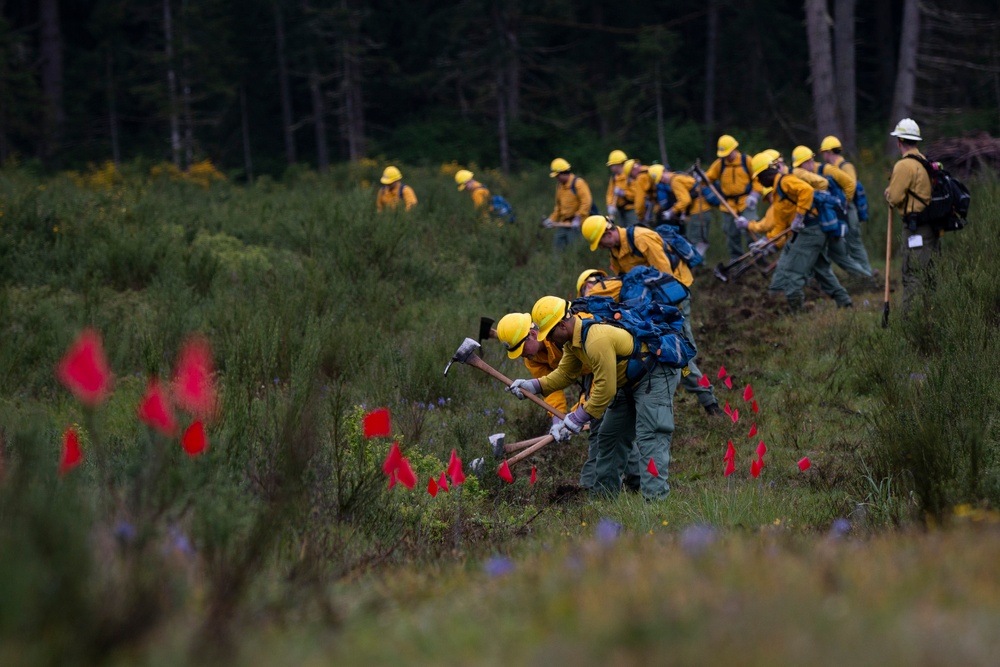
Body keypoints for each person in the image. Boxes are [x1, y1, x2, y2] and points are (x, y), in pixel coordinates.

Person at [508, 296, 680, 500]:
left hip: (653, 375)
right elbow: (565, 374)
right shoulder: (573, 343)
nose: (549, 340)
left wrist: (579, 416)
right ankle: (602, 501)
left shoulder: (596, 339)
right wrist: (534, 385)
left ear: (562, 325)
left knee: (649, 437)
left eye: (550, 334)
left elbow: (605, 388)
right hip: (626, 382)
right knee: (609, 437)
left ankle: (656, 503)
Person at [580, 216, 722, 416]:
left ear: (608, 233)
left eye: (601, 242)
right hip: (650, 304)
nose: (602, 248)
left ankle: (709, 403)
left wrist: (663, 317)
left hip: (673, 297)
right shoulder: (615, 251)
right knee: (658, 351)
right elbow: (625, 283)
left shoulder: (643, 238)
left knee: (683, 354)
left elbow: (666, 277)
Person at [497, 306, 641, 492]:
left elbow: (604, 381)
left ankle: (609, 484)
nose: (522, 355)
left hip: (610, 372)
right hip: (588, 376)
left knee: (605, 427)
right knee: (607, 429)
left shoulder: (567, 330)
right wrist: (558, 419)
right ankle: (628, 481)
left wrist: (581, 413)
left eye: (522, 349)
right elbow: (552, 387)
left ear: (532, 334)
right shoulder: (532, 358)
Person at [743, 152, 852, 311]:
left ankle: (795, 311)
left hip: (811, 231)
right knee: (821, 270)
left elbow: (806, 191)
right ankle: (845, 302)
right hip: (808, 232)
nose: (759, 181)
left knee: (794, 273)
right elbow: (780, 226)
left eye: (759, 177)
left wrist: (799, 216)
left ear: (767, 173)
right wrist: (764, 242)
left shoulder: (785, 181)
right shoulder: (777, 190)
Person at [791, 146, 872, 279]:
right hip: (822, 220)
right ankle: (864, 278)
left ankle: (867, 278)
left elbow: (851, 184)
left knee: (843, 253)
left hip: (836, 218)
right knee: (828, 254)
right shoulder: (804, 176)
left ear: (809, 161)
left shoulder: (826, 169)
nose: (800, 169)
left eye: (801, 165)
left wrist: (844, 203)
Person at [884, 118, 937, 313]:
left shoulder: (904, 165)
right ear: (915, 141)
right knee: (930, 274)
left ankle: (910, 321)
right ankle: (931, 315)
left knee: (913, 274)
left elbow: (895, 198)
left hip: (916, 229)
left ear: (899, 141)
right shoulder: (923, 160)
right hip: (930, 228)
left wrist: (888, 194)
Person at [819, 135, 875, 277]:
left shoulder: (846, 166)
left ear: (828, 152)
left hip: (849, 210)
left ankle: (867, 274)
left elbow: (852, 186)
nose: (823, 156)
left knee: (854, 244)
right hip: (841, 211)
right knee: (848, 245)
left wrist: (844, 202)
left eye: (823, 152)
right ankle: (863, 274)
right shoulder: (833, 168)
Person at [703, 134, 762, 261]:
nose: (727, 157)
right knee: (731, 234)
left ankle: (759, 256)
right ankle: (737, 260)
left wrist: (754, 195)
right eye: (724, 155)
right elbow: (709, 178)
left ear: (735, 149)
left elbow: (758, 179)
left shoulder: (747, 161)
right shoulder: (719, 164)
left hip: (746, 202)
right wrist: (701, 179)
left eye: (728, 154)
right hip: (728, 204)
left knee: (751, 229)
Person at [544, 158, 593, 251]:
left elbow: (586, 202)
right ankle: (557, 265)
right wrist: (551, 219)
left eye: (557, 176)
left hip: (576, 225)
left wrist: (578, 218)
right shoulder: (559, 186)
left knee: (574, 250)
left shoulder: (578, 183)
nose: (556, 178)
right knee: (557, 247)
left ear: (563, 173)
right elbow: (558, 206)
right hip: (563, 223)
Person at [605, 150, 636, 226]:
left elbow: (635, 194)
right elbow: (610, 193)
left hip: (632, 210)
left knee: (633, 231)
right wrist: (610, 205)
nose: (611, 168)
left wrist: (623, 193)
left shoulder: (630, 175)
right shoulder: (614, 177)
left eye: (612, 165)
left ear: (620, 164)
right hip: (621, 211)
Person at [625, 159, 655, 225]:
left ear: (632, 170)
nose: (633, 178)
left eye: (631, 175)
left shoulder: (640, 178)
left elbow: (640, 202)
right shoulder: (649, 169)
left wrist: (640, 217)